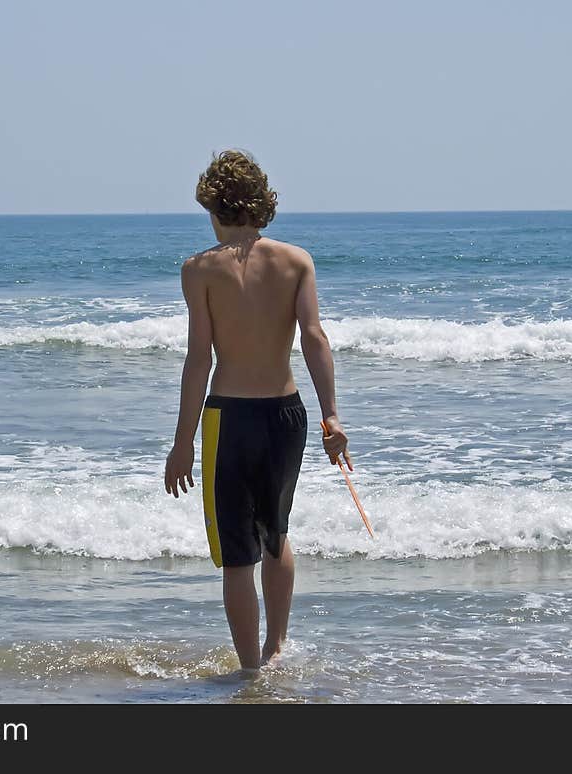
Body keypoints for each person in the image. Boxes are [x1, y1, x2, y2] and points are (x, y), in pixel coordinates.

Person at [163, 149, 351, 671]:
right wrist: (332, 414)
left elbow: (199, 359)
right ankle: (276, 647)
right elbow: (314, 338)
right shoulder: (296, 261)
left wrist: (182, 444)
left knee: (236, 555)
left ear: (218, 208)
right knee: (277, 535)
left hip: (228, 419)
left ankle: (249, 671)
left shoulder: (199, 269)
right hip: (286, 416)